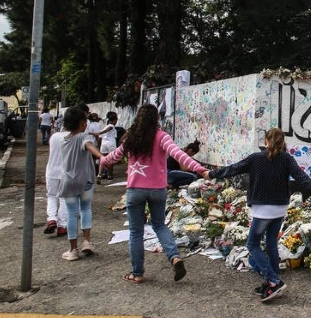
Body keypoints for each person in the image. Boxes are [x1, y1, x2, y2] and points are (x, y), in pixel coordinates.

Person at [203, 128, 311, 301]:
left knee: (252, 244)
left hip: (263, 209)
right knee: (270, 243)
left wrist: (212, 174)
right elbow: (301, 177)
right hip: (280, 208)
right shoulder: (286, 159)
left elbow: (234, 169)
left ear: (266, 141)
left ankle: (273, 280)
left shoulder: (256, 158)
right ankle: (272, 280)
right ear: (283, 142)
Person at [100, 104, 207, 284]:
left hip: (135, 190)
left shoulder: (131, 139)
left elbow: (114, 156)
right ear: (156, 119)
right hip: (158, 190)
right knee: (160, 225)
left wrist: (103, 160)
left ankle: (137, 273)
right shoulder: (162, 137)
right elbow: (179, 154)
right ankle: (174, 257)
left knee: (135, 232)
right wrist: (199, 169)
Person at [57, 106, 104, 261]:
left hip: (68, 182)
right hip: (86, 181)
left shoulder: (63, 140)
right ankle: (86, 241)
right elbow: (89, 147)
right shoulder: (84, 137)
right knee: (85, 208)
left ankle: (73, 250)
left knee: (71, 213)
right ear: (83, 123)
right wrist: (101, 157)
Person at [44, 127, 69, 237]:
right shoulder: (74, 138)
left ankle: (52, 219)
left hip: (51, 171)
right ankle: (62, 226)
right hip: (66, 172)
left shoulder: (54, 137)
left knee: (51, 196)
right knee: (63, 198)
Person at [97, 112, 118, 182]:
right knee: (111, 159)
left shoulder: (104, 127)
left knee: (103, 159)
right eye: (116, 120)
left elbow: (100, 138)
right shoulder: (111, 126)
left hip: (104, 144)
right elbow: (108, 129)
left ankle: (100, 174)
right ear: (114, 120)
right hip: (111, 144)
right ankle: (110, 174)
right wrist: (100, 133)